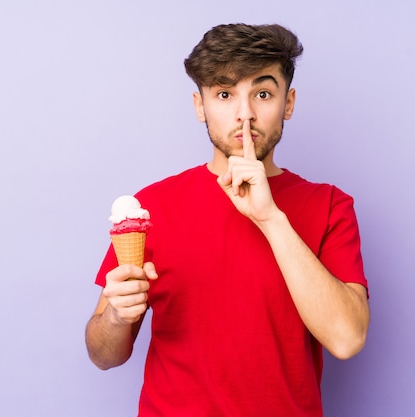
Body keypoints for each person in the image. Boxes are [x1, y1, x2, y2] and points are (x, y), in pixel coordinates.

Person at [85, 23, 370, 417]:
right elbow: (103, 356)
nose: (245, 114)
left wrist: (270, 218)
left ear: (288, 103)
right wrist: (116, 316)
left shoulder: (329, 206)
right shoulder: (151, 207)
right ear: (200, 106)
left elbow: (347, 338)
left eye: (263, 94)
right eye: (224, 94)